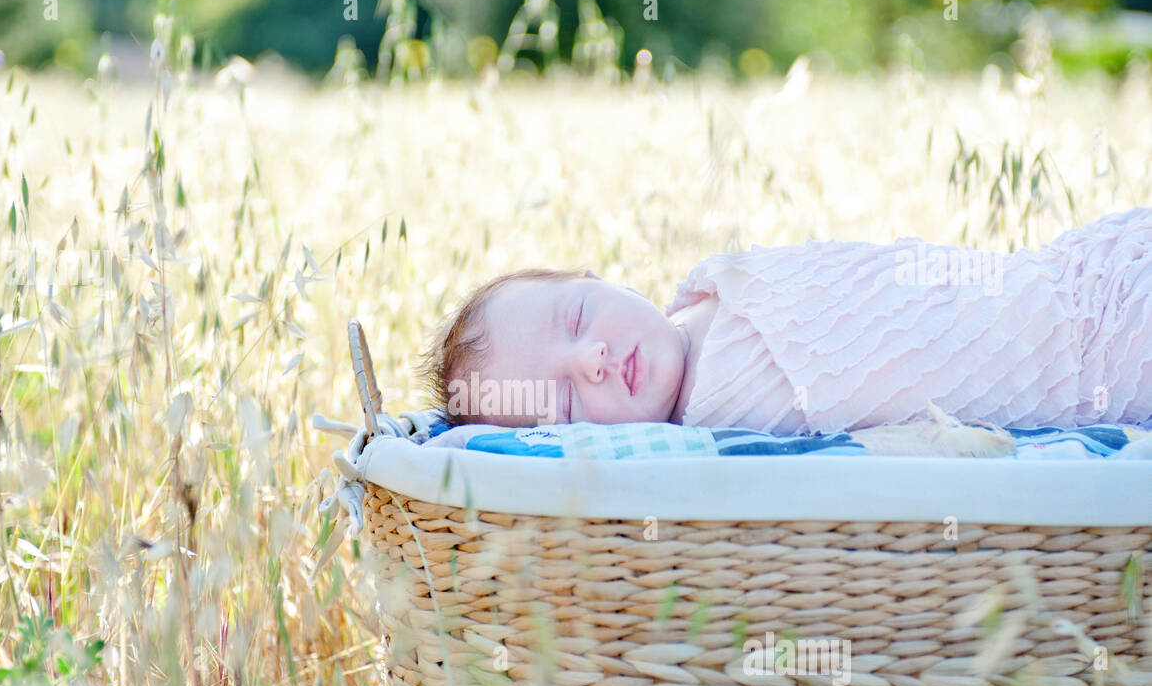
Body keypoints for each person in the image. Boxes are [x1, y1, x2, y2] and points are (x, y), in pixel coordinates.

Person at [418, 207, 1152, 434]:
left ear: (594, 278)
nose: (593, 360)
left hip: (1073, 278)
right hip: (1096, 369)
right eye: (570, 402)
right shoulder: (712, 436)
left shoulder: (708, 286)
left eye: (578, 317)